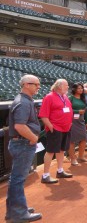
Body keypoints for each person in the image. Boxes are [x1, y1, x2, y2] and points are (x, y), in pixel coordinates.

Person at [5, 75, 42, 222]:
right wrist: (33, 138)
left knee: (16, 179)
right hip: (23, 144)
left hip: (21, 143)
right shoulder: (23, 102)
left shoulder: (25, 100)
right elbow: (19, 126)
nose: (38, 87)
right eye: (36, 84)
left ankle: (14, 211)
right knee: (18, 180)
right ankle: (18, 214)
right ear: (26, 85)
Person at [38, 79, 73, 184]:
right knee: (50, 151)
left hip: (66, 128)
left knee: (62, 150)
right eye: (66, 85)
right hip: (55, 128)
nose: (68, 87)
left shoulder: (65, 97)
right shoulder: (49, 97)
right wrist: (50, 126)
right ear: (59, 86)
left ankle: (60, 170)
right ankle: (45, 175)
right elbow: (43, 115)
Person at [68, 83, 87, 166]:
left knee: (84, 138)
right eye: (78, 88)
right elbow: (67, 110)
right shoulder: (70, 98)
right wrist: (77, 112)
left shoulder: (83, 98)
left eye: (81, 88)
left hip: (81, 121)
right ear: (74, 89)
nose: (80, 90)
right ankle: (73, 158)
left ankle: (81, 156)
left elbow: (86, 110)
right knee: (72, 140)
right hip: (72, 121)